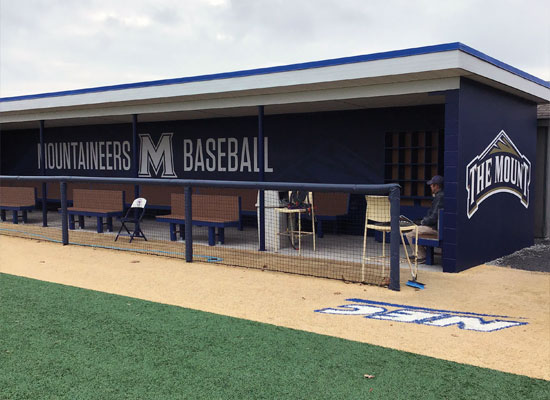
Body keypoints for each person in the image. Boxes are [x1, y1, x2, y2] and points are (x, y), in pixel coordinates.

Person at [406, 175, 444, 263]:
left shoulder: (440, 197)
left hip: (436, 229)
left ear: (437, 186)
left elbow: (434, 217)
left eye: (432, 185)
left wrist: (422, 222)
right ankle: (419, 254)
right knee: (413, 230)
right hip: (436, 226)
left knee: (410, 233)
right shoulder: (439, 195)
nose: (430, 186)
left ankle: (421, 256)